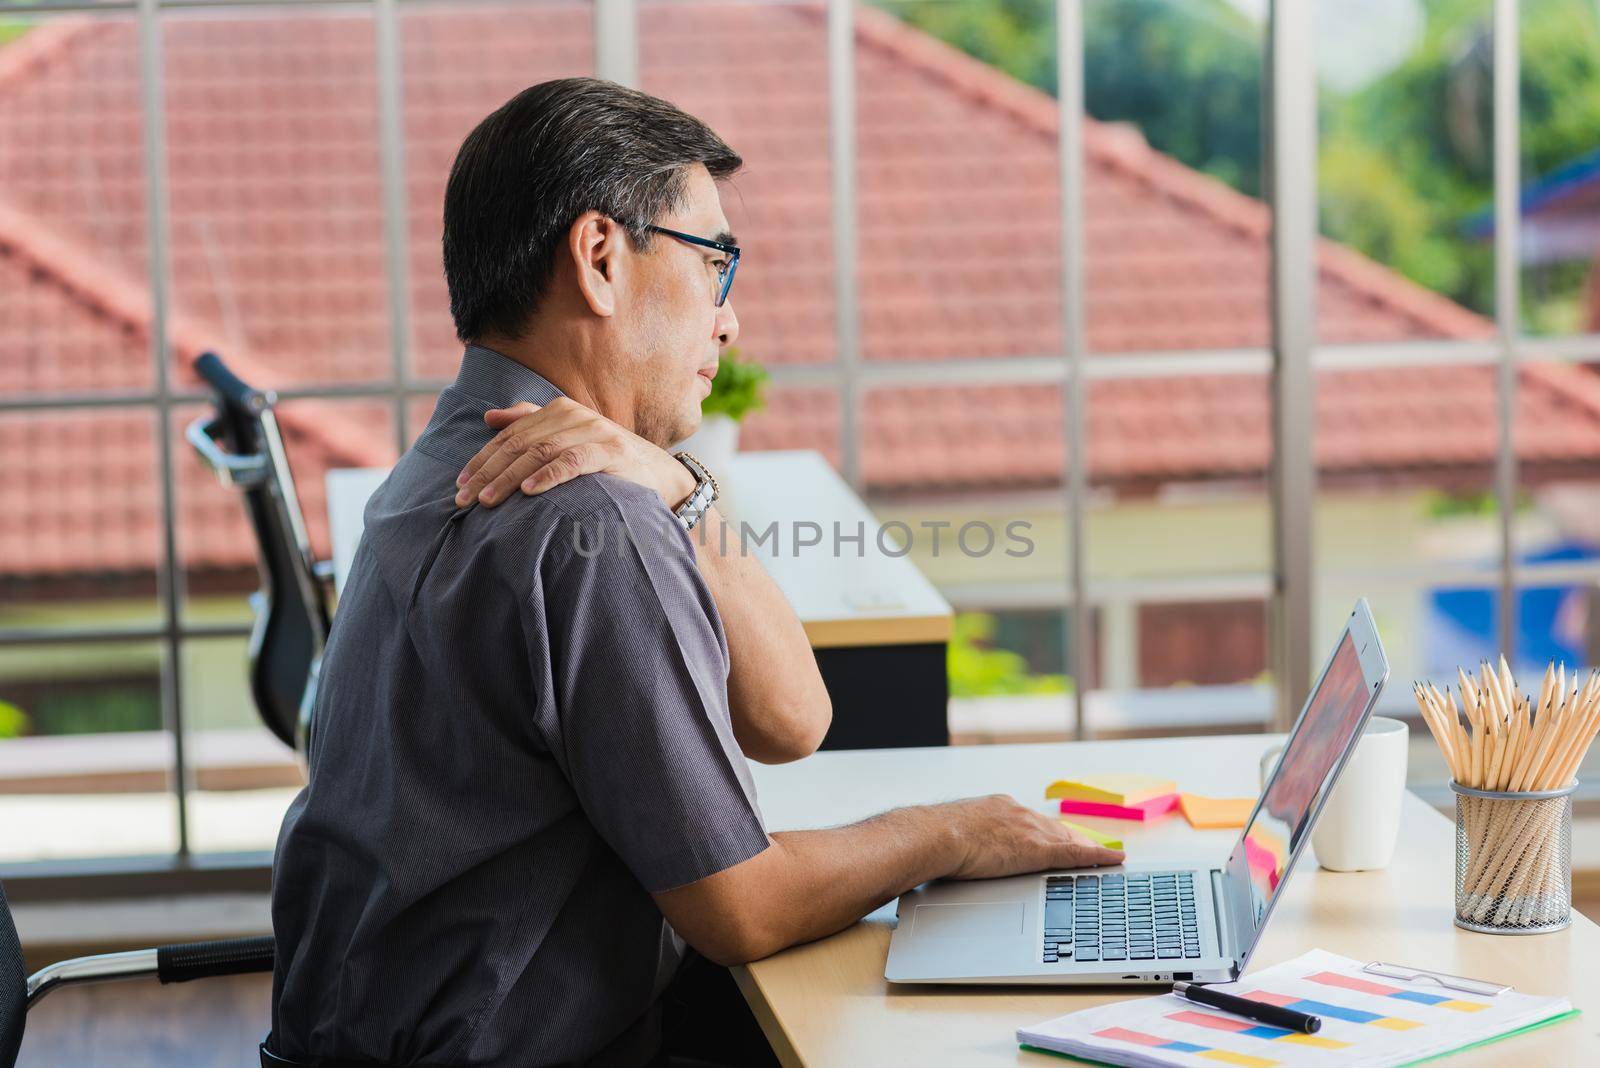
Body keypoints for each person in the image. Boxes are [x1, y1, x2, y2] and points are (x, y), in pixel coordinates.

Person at [265, 77, 1122, 1068]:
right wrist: (951, 834)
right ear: (598, 259)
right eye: (714, 262)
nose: (729, 320)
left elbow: (793, 722)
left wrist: (680, 485)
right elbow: (741, 908)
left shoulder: (439, 461)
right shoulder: (584, 517)